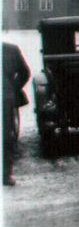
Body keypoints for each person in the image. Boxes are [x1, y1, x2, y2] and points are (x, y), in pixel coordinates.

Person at [3, 42, 31, 186]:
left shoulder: (10, 49)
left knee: (6, 136)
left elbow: (24, 73)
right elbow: (25, 73)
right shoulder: (10, 49)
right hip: (5, 97)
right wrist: (12, 89)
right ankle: (6, 175)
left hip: (5, 98)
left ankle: (6, 174)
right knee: (6, 135)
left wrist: (11, 89)